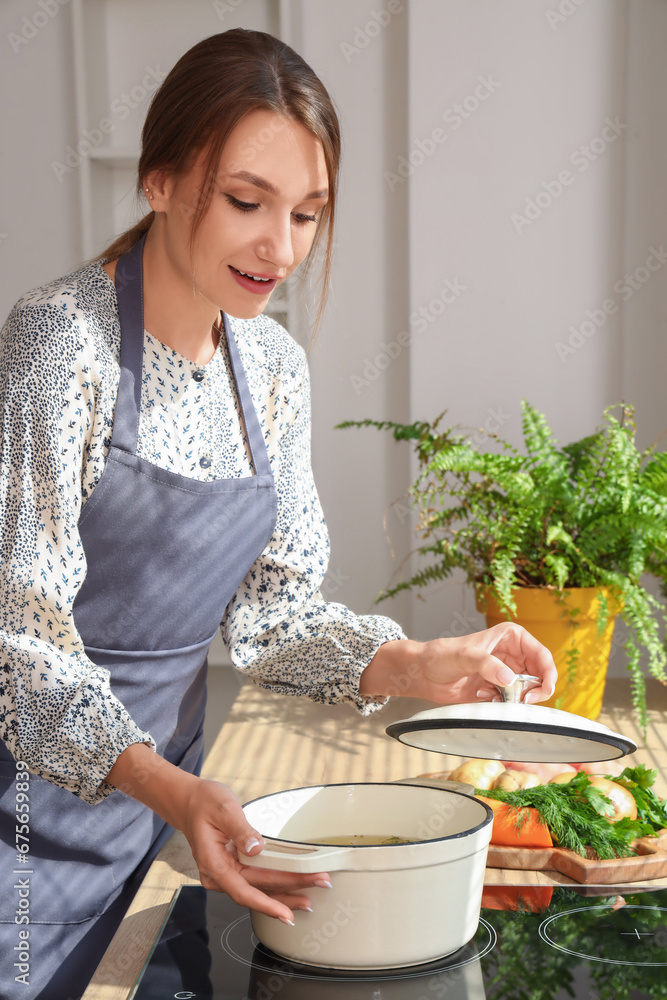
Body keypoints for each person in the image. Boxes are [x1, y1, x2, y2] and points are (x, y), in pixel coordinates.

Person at [0, 28, 557, 1000]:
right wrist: (172, 789)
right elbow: (23, 646)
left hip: (166, 818)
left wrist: (426, 663)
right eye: (247, 202)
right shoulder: (61, 347)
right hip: (21, 824)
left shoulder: (271, 371)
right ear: (162, 180)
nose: (281, 248)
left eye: (307, 214)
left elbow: (276, 620)